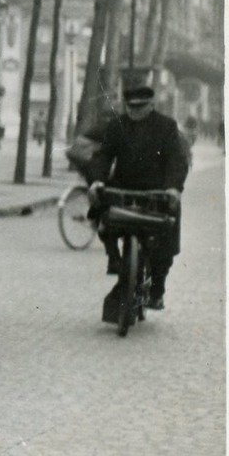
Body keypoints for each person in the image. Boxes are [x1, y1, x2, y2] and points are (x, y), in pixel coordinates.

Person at [88, 81, 190, 315]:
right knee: (100, 210)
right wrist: (97, 180)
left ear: (152, 104)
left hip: (157, 192)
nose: (135, 112)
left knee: (166, 236)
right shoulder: (116, 126)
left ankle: (157, 290)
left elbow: (176, 160)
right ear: (125, 106)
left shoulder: (166, 126)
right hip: (124, 188)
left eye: (141, 107)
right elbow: (103, 156)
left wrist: (173, 188)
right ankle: (113, 255)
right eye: (131, 107)